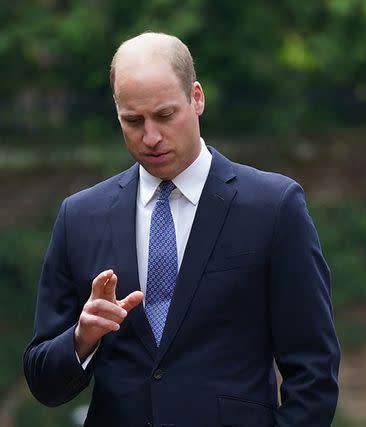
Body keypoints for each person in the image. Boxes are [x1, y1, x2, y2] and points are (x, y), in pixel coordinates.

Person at [23, 32, 340, 427]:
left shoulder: (273, 206)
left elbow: (313, 370)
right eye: (133, 121)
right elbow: (42, 380)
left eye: (165, 115)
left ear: (197, 98)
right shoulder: (80, 216)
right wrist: (81, 338)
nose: (150, 137)